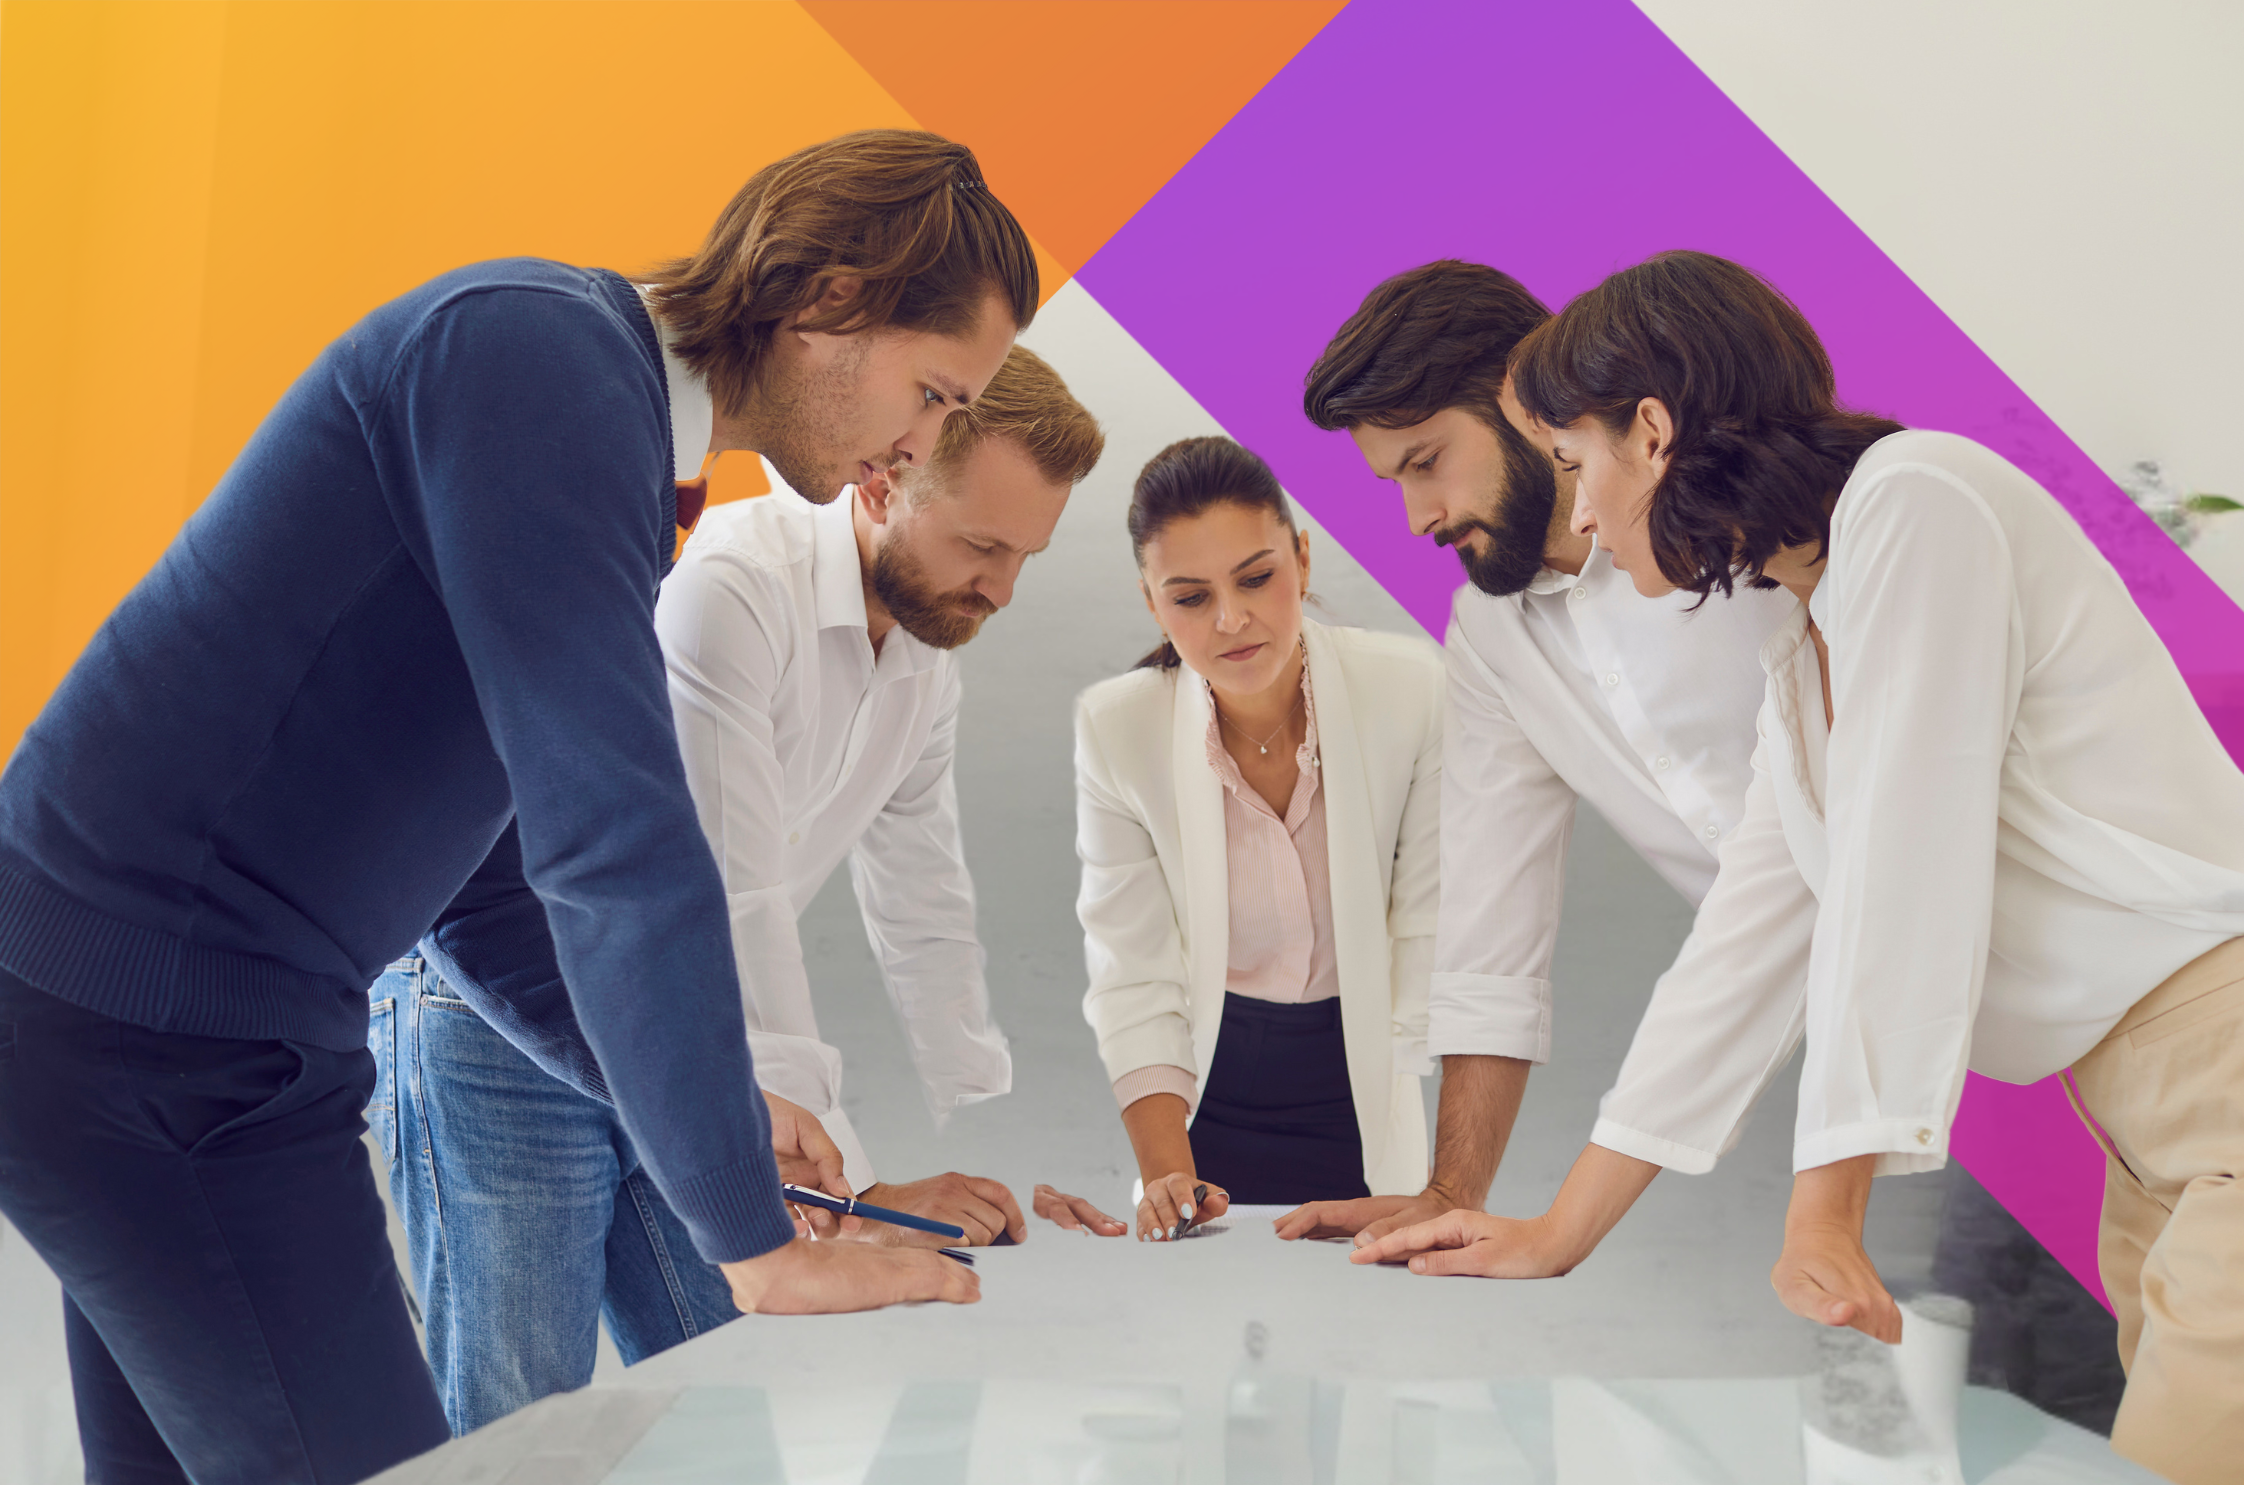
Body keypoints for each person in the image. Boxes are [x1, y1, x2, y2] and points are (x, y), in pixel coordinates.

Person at [0, 129, 1025, 1484]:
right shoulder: (537, 361)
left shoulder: (584, 423)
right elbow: (616, 843)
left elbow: (494, 882)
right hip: (169, 1046)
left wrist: (711, 1120)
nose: (929, 440)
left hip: (136, 1023)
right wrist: (750, 1247)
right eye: (939, 391)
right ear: (830, 299)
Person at [1356, 250, 2244, 1485]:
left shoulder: (1917, 502)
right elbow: (1753, 931)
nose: (1577, 515)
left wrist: (1825, 1207)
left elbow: (1909, 862)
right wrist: (1559, 1231)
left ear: (1656, 433)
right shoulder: (1807, 647)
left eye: (1576, 466)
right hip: (2164, 1137)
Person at [371, 346, 1104, 1433]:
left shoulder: (923, 663)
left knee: (729, 1403)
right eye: (982, 546)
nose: (999, 589)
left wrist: (971, 1098)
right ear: (881, 478)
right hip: (508, 1017)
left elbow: (922, 892)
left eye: (1024, 557)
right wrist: (845, 1190)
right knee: (520, 1424)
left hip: (680, 1034)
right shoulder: (730, 593)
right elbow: (737, 900)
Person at [1277, 262, 1792, 1245]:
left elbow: (1801, 884)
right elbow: (1490, 926)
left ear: (1525, 397)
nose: (1418, 519)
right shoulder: (1491, 638)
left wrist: (1571, 1226)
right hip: (1976, 1022)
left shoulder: (1751, 526)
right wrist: (1451, 1191)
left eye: (1429, 461)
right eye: (1396, 482)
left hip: (2073, 959)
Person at [1039, 437, 1443, 1242]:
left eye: (1257, 577)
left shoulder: (1413, 688)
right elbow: (1133, 972)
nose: (1232, 619)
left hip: (1366, 1087)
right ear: (1152, 602)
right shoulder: (1119, 728)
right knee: (1198, 1340)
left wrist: (1445, 1168)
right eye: (1190, 597)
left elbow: (1438, 931)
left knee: (1366, 1338)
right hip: (1203, 1097)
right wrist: (1166, 1175)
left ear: (1302, 554)